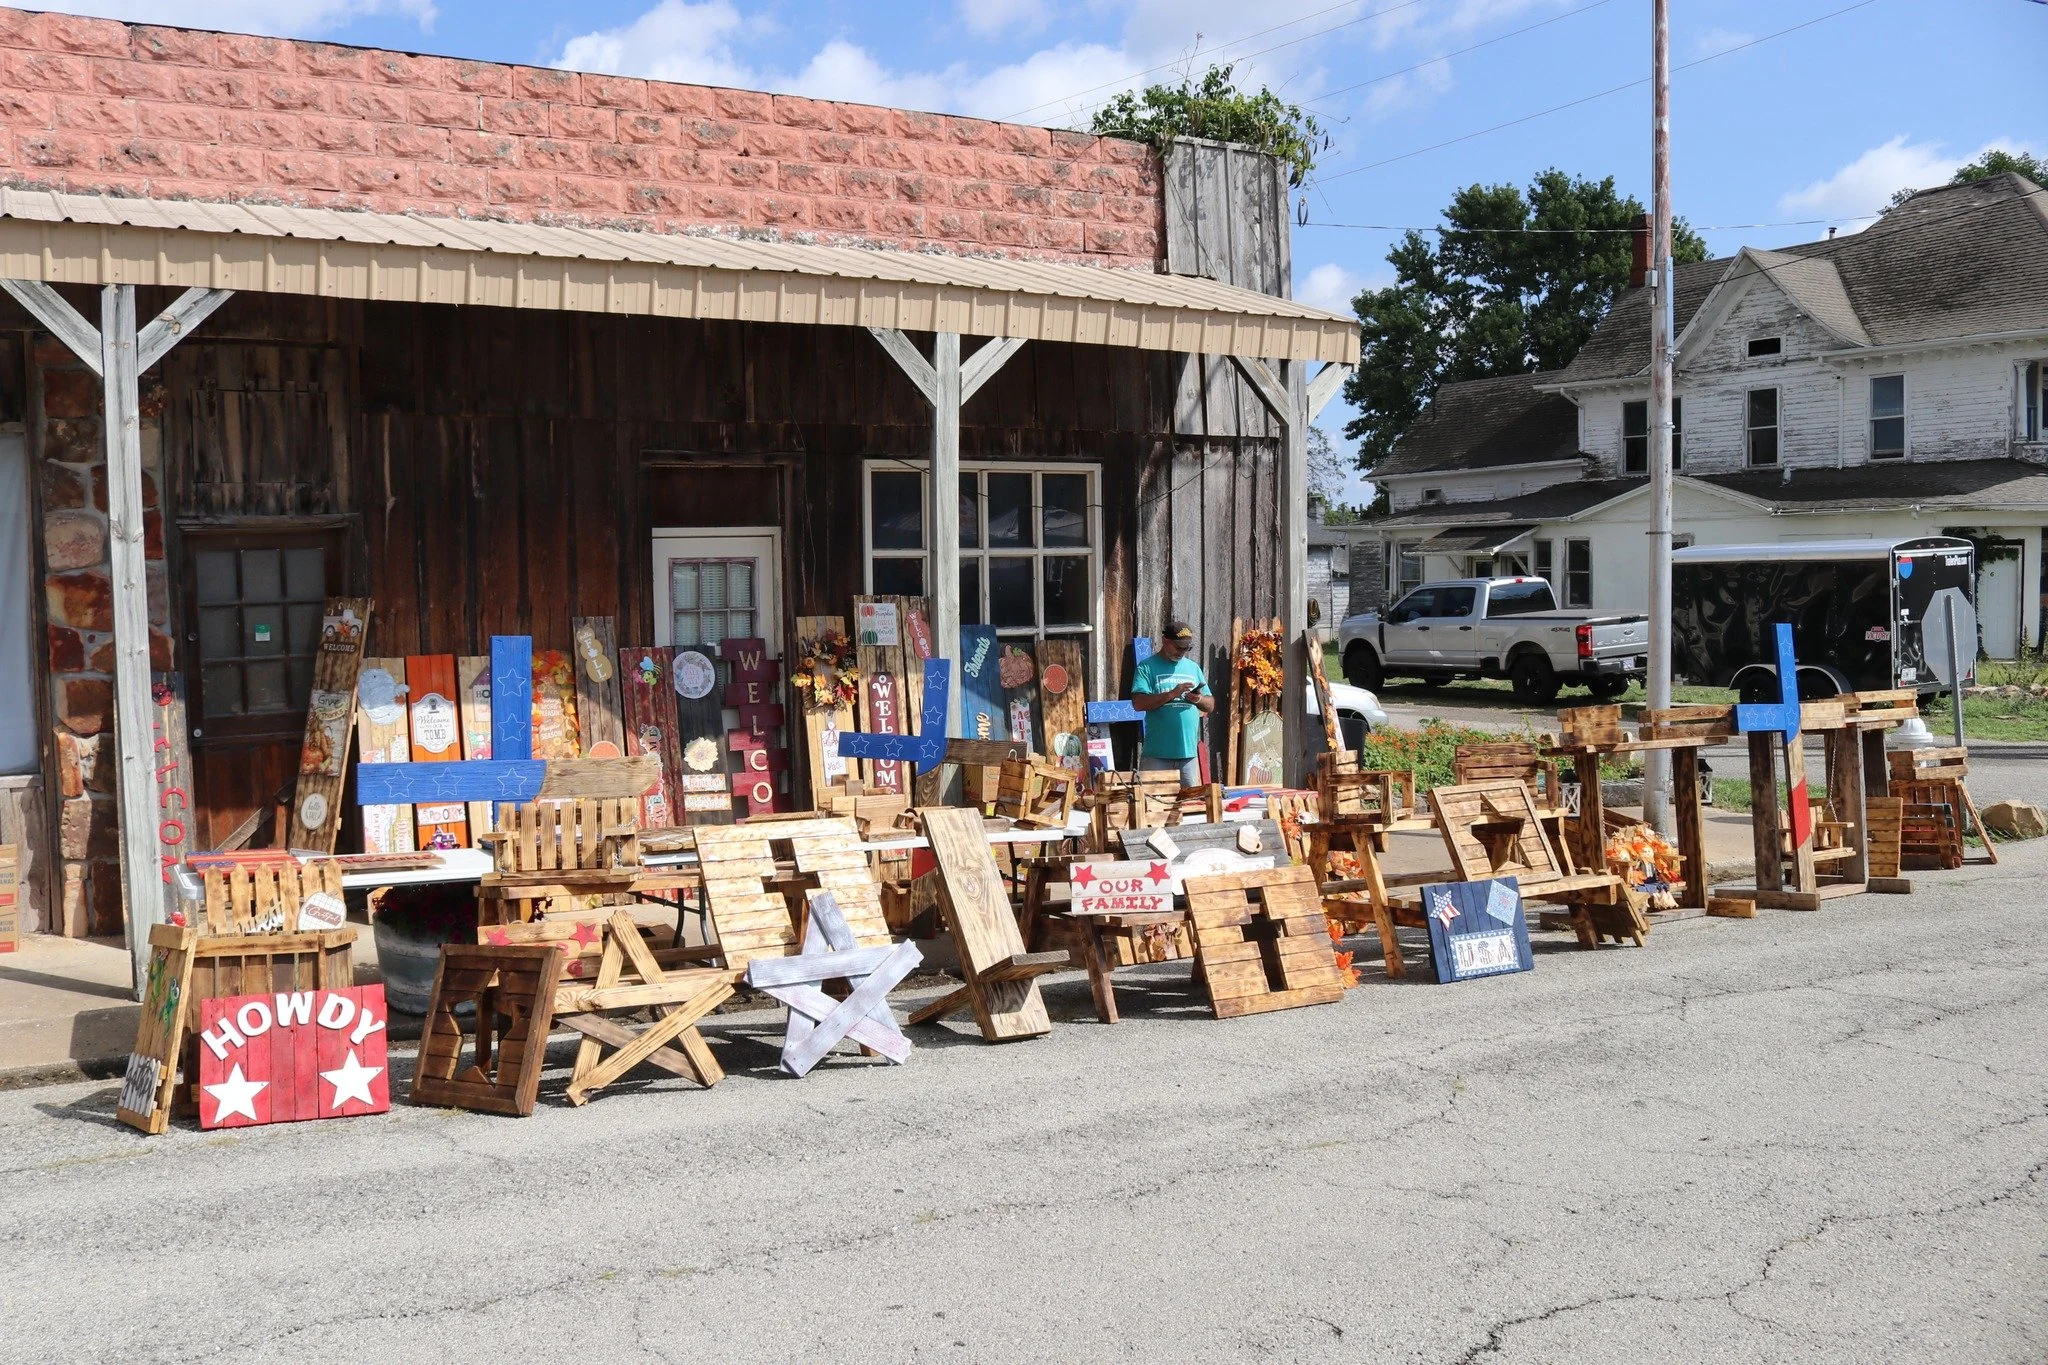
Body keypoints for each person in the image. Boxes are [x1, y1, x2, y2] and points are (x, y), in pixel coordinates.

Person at [1131, 620, 1213, 786]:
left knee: (1190, 807)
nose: (1182, 652)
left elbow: (1210, 704)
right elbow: (1138, 703)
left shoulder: (1193, 668)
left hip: (1188, 756)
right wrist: (1172, 694)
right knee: (1153, 807)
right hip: (1157, 756)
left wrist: (1198, 699)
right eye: (1178, 647)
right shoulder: (1146, 667)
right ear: (1165, 641)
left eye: (1186, 648)